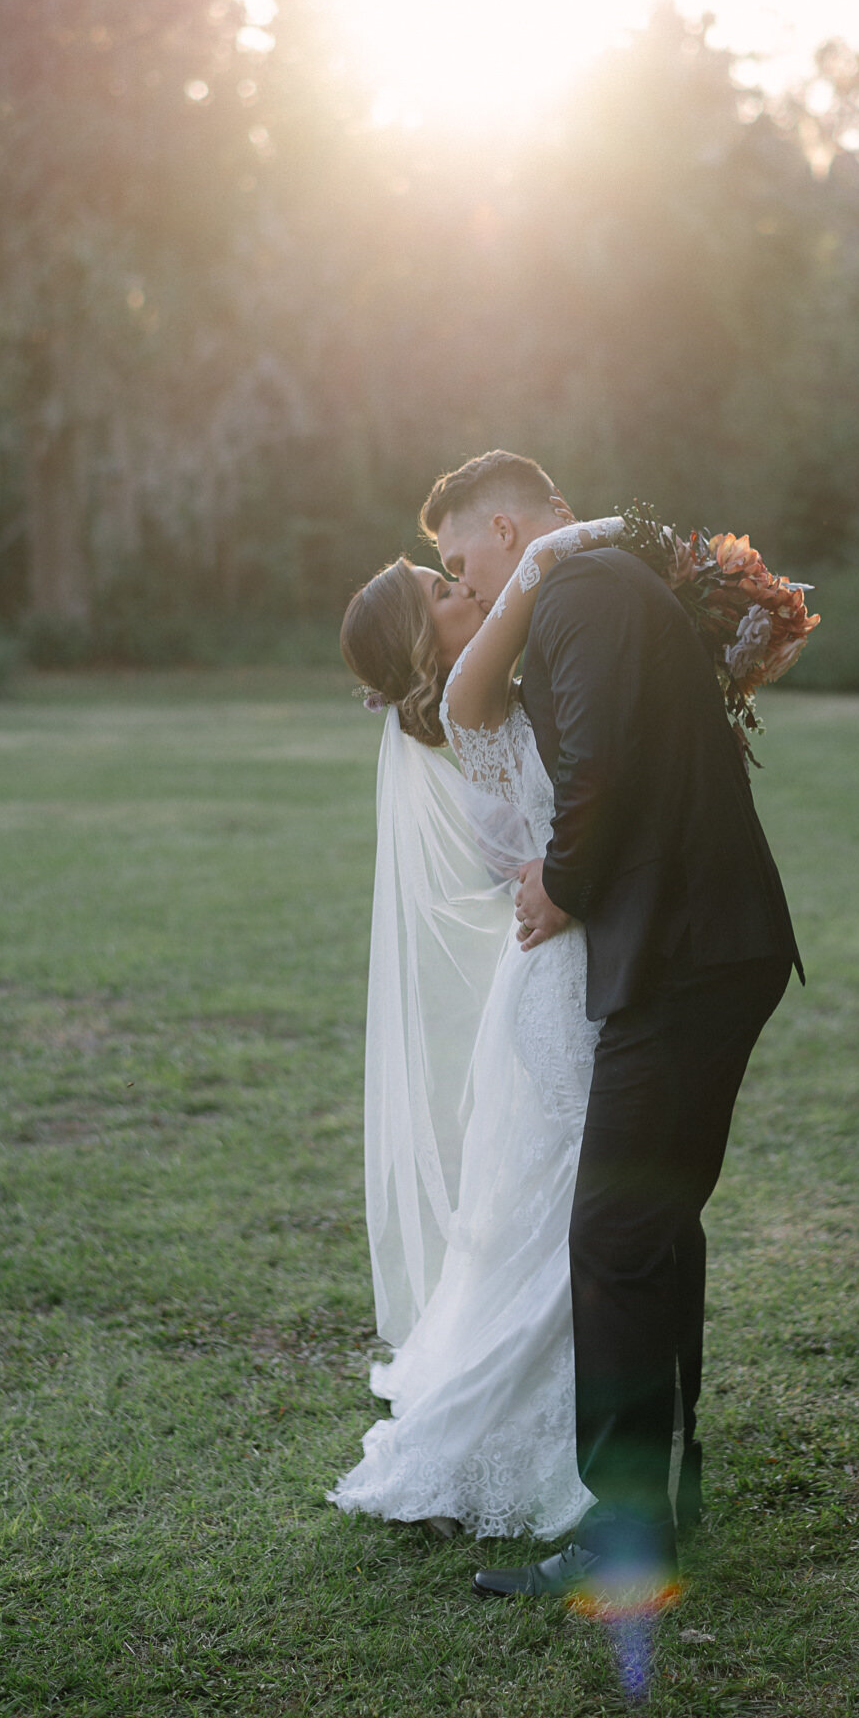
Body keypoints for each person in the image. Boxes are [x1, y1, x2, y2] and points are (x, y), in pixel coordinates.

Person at [336, 450, 802, 1608]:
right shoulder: (573, 593)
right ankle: (655, 1492)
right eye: (441, 580)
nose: (462, 581)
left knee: (611, 1232)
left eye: (458, 561)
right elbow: (597, 756)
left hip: (672, 952)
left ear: (502, 530)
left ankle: (630, 1527)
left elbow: (601, 767)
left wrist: (566, 881)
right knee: (639, 1228)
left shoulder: (582, 589)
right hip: (670, 952)